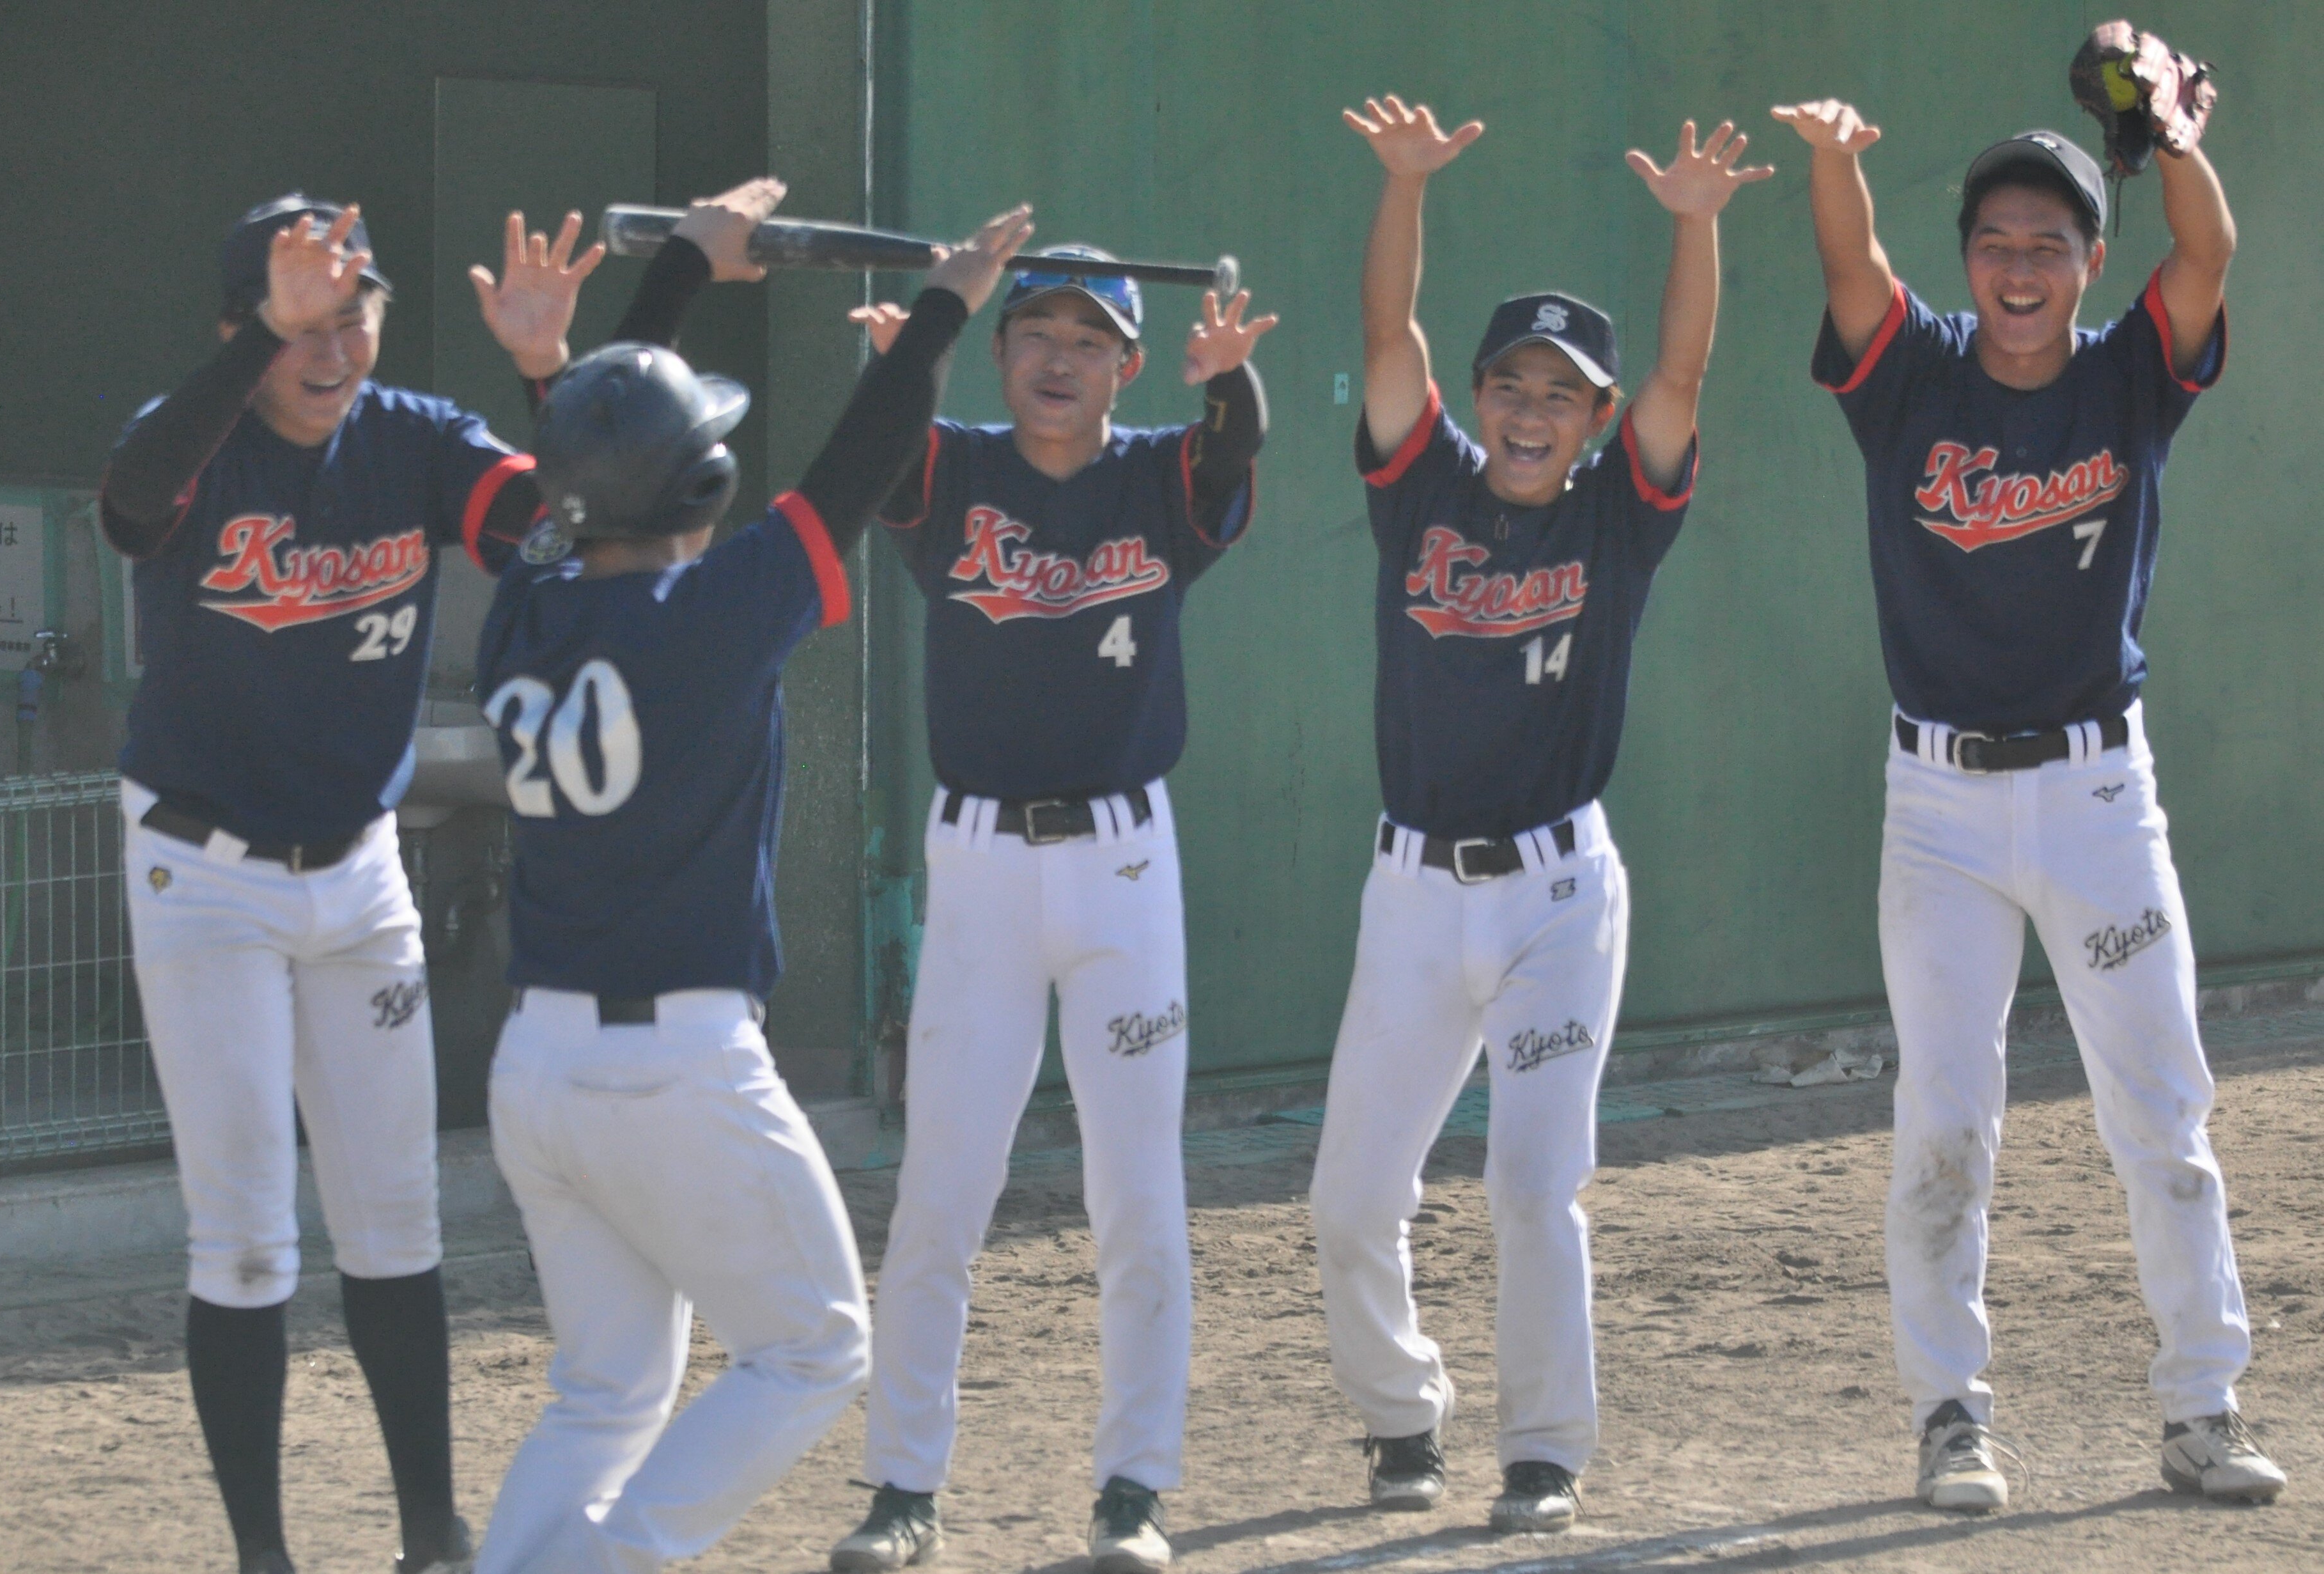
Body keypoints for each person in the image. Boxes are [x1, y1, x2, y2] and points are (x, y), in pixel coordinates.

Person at [466, 177, 1030, 1574]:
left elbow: (580, 450)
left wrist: (681, 271)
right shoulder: (705, 617)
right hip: (675, 1068)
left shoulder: (525, 607)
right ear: (697, 489)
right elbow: (851, 471)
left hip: (536, 1065)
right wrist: (948, 304)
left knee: (606, 1387)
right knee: (816, 1345)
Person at [1774, 90, 2284, 1510]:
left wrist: (2175, 134)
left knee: (2160, 1112)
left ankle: (2200, 1403)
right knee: (1944, 1114)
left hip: (2096, 794)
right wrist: (1829, 166)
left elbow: (2207, 258)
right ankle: (1949, 1412)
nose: (2016, 262)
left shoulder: (2127, 377)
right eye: (1994, 237)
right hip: (1935, 805)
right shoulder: (1911, 377)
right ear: (1964, 258)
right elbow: (1846, 272)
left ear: (2086, 260)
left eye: (2048, 241)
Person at [1307, 98, 1768, 1538]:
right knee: (1344, 1200)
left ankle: (1543, 1451)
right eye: (1507, 382)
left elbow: (1683, 366)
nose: (1523, 409)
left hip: (1557, 896)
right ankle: (1400, 1417)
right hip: (1410, 892)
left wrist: (1694, 225)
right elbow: (1390, 344)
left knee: (1529, 1180)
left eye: (1558, 393)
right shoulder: (1420, 491)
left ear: (1592, 422)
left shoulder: (1615, 517)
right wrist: (1403, 191)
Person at [100, 194, 580, 1574]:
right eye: (303, 310)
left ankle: (430, 1535)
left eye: (354, 304)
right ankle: (266, 1555)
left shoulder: (417, 436)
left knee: (395, 1219)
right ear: (241, 328)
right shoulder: (193, 435)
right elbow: (134, 505)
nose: (336, 336)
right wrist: (265, 331)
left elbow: (551, 540)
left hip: (358, 875)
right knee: (247, 1240)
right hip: (204, 872)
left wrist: (544, 378)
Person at [828, 252, 1275, 1572]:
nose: (1059, 357)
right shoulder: (950, 465)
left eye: (1090, 337)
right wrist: (901, 358)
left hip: (1125, 867)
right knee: (939, 1195)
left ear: (1126, 365)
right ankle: (903, 1485)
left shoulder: (1160, 477)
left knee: (1137, 1191)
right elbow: (875, 448)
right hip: (975, 870)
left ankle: (1133, 1486)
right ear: (1000, 349)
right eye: (1034, 331)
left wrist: (1232, 380)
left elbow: (1230, 448)